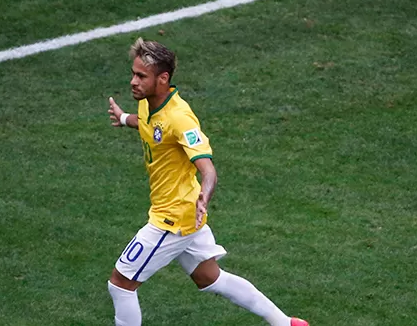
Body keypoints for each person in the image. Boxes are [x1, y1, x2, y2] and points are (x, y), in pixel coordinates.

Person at [106, 38, 309, 326]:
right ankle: (284, 323)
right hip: (184, 212)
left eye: (141, 76)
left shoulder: (180, 118)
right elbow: (152, 126)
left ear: (163, 79)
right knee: (209, 277)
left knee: (120, 284)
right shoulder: (148, 103)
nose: (133, 82)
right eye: (133, 73)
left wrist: (205, 197)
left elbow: (208, 169)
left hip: (173, 219)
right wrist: (124, 117)